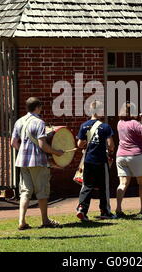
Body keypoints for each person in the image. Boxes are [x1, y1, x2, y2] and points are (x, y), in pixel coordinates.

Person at [11, 97, 64, 230]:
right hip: (38, 161)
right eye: (40, 107)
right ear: (37, 107)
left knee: (25, 191)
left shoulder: (19, 121)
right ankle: (45, 220)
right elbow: (42, 145)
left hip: (22, 161)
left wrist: (23, 151)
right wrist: (55, 152)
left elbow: (13, 143)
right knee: (42, 191)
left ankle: (21, 221)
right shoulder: (39, 122)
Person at [76, 100, 116, 221]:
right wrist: (110, 151)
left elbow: (79, 144)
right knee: (104, 187)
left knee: (87, 185)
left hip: (88, 160)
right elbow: (110, 144)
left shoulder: (84, 125)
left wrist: (87, 143)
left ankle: (82, 209)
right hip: (100, 160)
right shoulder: (105, 127)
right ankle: (105, 211)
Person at [115, 102, 142, 217]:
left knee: (122, 183)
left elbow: (132, 131)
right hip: (136, 155)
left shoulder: (119, 123)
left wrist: (139, 121)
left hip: (121, 156)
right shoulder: (134, 123)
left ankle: (118, 208)